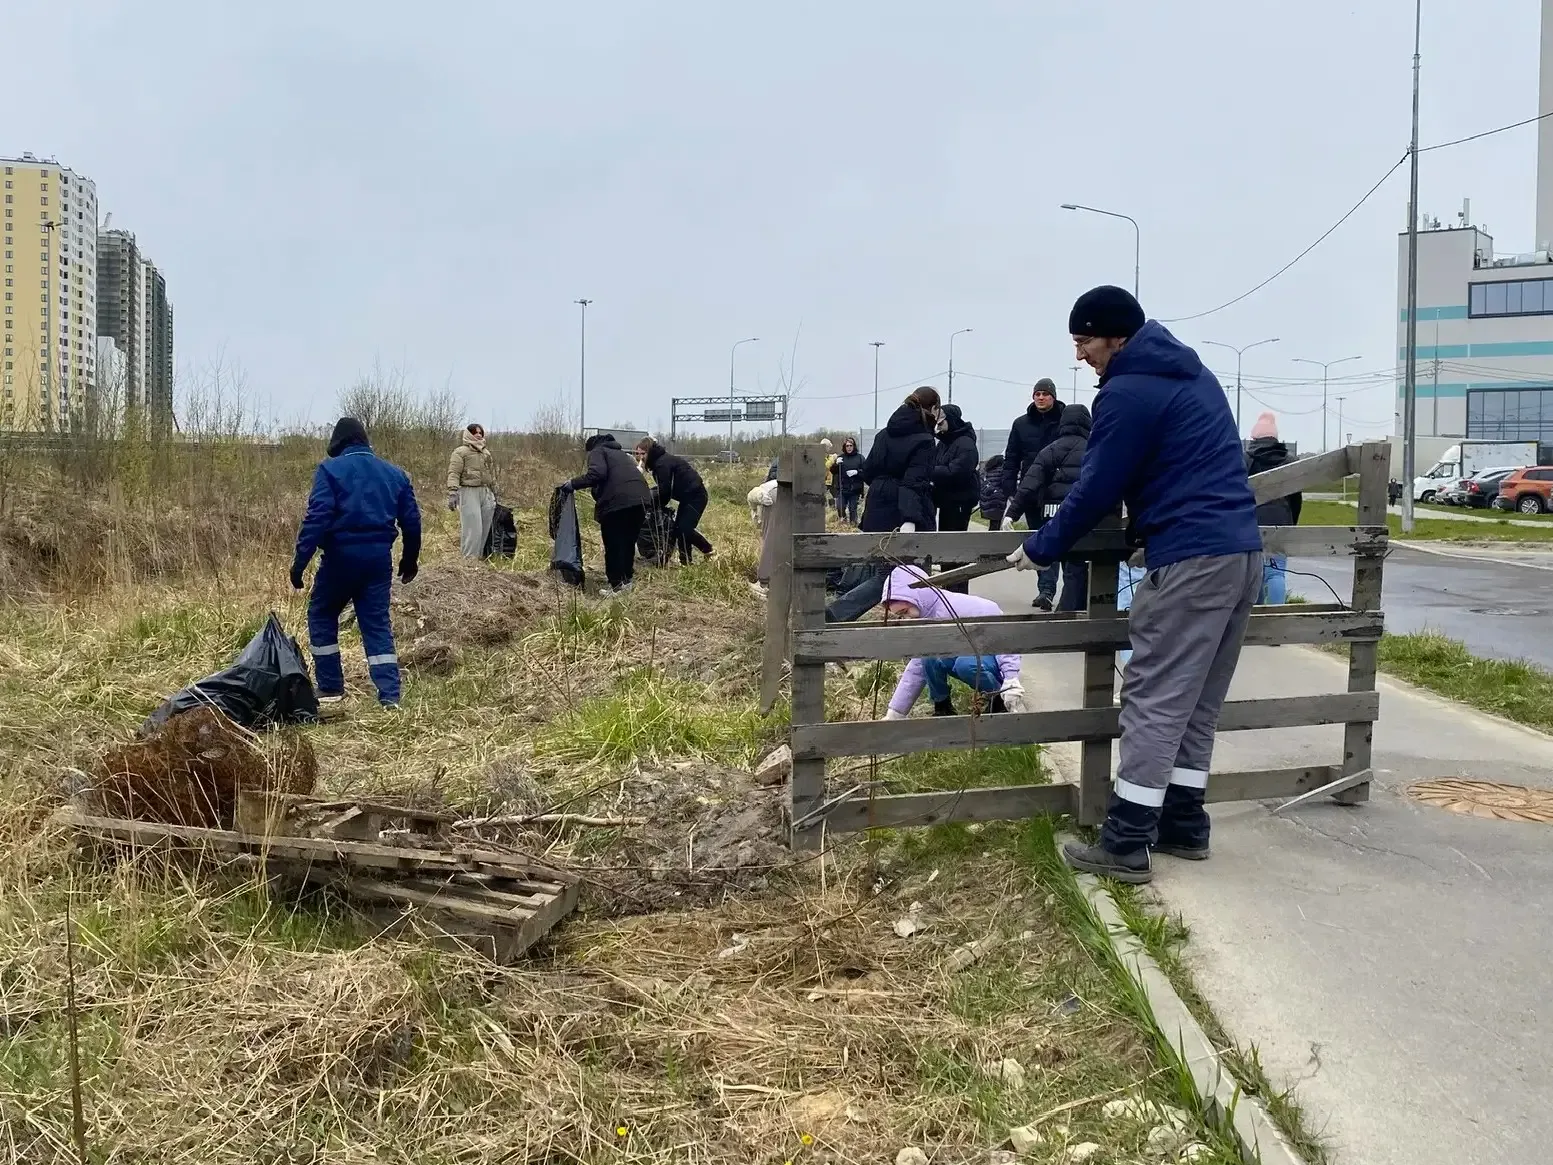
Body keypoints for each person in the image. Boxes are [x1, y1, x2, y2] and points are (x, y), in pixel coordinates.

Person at [1006, 286, 1263, 883]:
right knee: (1197, 699)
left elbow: (1096, 486)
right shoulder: (1193, 375)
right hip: (1241, 553)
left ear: (1116, 337)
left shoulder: (1126, 392)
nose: (1080, 355)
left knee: (1153, 696)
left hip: (1191, 558)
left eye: (1085, 342)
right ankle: (1183, 822)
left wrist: (1041, 545)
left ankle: (1126, 841)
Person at [291, 417, 421, 710]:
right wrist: (410, 558)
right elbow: (412, 521)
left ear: (337, 444)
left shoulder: (329, 470)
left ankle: (330, 686)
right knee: (376, 624)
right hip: (378, 561)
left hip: (339, 560)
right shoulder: (395, 474)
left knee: (322, 613)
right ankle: (389, 696)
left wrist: (300, 562)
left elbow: (317, 517)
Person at [828, 387, 941, 622]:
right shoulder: (924, 441)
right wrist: (910, 519)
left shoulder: (884, 435)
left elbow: (869, 471)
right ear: (934, 408)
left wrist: (883, 487)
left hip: (878, 506)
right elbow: (913, 482)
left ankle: (837, 614)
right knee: (915, 573)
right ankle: (923, 628)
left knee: (886, 574)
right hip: (906, 511)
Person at [875, 565, 1026, 717]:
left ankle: (997, 697)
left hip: (986, 657)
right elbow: (916, 668)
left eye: (905, 612)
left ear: (917, 597)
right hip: (963, 656)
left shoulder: (962, 607)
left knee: (965, 665)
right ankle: (942, 706)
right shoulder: (923, 619)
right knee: (928, 657)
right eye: (901, 616)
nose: (906, 618)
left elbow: (1004, 638)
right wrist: (896, 712)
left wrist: (1010, 677)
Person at [1006, 404, 1093, 611]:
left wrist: (1012, 513)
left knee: (1050, 553)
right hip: (1081, 515)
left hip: (1051, 513)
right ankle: (1072, 609)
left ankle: (1047, 592)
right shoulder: (1094, 450)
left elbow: (1029, 483)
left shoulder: (1051, 450)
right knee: (1076, 563)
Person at [1002, 378, 1067, 610]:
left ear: (1053, 397)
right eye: (1037, 394)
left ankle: (1068, 592)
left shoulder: (1065, 421)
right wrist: (1010, 490)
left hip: (1060, 491)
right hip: (1032, 492)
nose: (1041, 397)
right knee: (1040, 539)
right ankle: (1046, 590)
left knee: (1062, 538)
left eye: (1045, 394)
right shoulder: (1021, 424)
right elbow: (1011, 459)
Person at [560, 433, 652, 593]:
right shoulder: (620, 454)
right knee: (627, 543)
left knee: (613, 544)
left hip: (619, 502)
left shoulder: (597, 451)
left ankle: (616, 586)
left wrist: (573, 483)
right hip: (641, 500)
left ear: (591, 447)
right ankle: (626, 582)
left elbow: (597, 474)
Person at [1244, 412, 1302, 604]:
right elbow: (1296, 499)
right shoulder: (1289, 461)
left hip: (1252, 522)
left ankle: (1257, 613)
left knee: (1255, 574)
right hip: (1280, 520)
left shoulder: (1246, 460)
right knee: (1276, 572)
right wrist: (1291, 523)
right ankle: (1278, 613)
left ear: (1254, 438)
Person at [636, 437, 714, 564]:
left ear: (649, 451)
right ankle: (686, 562)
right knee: (679, 529)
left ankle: (708, 551)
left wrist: (654, 505)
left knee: (684, 529)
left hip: (696, 496)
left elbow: (665, 491)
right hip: (687, 497)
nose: (640, 457)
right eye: (638, 454)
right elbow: (664, 489)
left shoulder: (661, 464)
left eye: (643, 453)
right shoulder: (659, 462)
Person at [930, 402, 980, 592]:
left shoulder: (965, 444)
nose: (938, 426)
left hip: (959, 502)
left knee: (957, 550)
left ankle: (958, 591)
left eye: (941, 422)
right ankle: (949, 588)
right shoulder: (944, 443)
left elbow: (957, 472)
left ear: (950, 420)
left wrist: (931, 472)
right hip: (947, 502)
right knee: (947, 548)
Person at [446, 423, 496, 559]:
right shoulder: (460, 452)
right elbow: (454, 473)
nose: (478, 435)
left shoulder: (486, 452)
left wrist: (494, 490)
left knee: (485, 527)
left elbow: (491, 473)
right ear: (468, 434)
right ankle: (469, 560)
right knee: (473, 528)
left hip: (485, 491)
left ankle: (479, 558)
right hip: (469, 491)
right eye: (475, 432)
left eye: (480, 432)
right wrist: (453, 492)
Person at [834, 437, 866, 525]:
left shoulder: (860, 458)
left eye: (850, 445)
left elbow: (866, 471)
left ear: (854, 446)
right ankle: (843, 523)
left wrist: (857, 472)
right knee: (840, 507)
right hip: (842, 488)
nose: (849, 447)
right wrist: (836, 464)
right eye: (847, 446)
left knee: (853, 509)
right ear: (844, 447)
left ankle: (853, 525)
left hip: (855, 489)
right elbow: (833, 471)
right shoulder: (841, 458)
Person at [979, 455, 1009, 530]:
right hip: (998, 500)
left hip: (987, 500)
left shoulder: (986, 472)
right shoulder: (1002, 471)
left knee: (994, 524)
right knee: (996, 525)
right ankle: (993, 536)